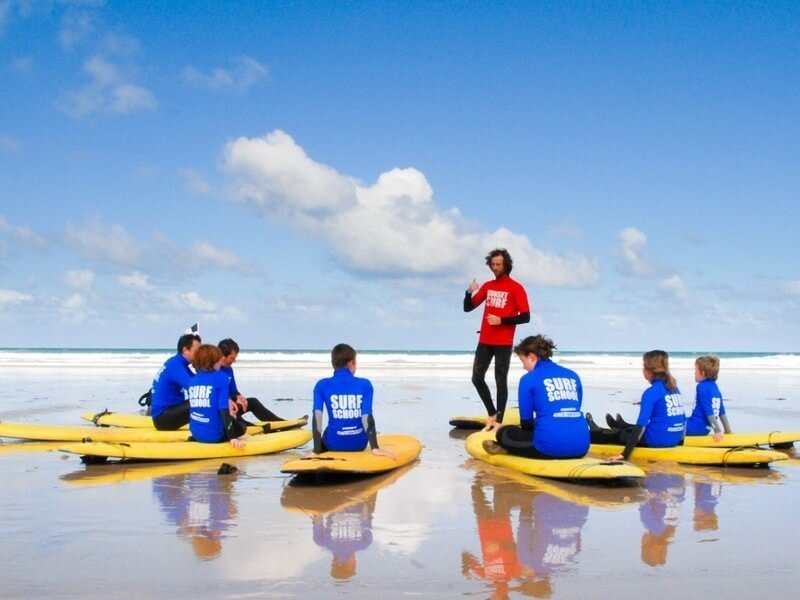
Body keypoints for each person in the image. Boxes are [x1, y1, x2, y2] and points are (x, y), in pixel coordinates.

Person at [483, 334, 590, 459]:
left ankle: (508, 449)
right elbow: (574, 409)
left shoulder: (528, 379)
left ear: (532, 357)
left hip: (549, 448)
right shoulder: (573, 375)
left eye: (523, 361)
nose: (524, 367)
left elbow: (526, 423)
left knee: (503, 433)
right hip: (582, 446)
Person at [463, 248, 530, 431]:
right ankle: (491, 413)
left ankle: (499, 421)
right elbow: (468, 308)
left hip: (504, 342)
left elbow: (525, 317)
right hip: (485, 340)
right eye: (492, 264)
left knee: (500, 380)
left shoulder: (516, 288)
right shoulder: (488, 286)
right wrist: (469, 292)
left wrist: (502, 320)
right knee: (477, 378)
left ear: (506, 264)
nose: (495, 267)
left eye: (498, 264)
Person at [587, 350, 686, 461]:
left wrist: (625, 454)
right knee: (628, 429)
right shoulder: (674, 388)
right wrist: (681, 443)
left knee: (613, 435)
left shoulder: (651, 392)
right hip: (673, 438)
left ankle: (596, 432)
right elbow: (683, 419)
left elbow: (641, 425)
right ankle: (613, 425)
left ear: (649, 371)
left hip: (656, 440)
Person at [310, 343, 395, 458]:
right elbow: (367, 416)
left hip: (333, 444)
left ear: (333, 364)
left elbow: (317, 415)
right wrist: (375, 448)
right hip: (358, 444)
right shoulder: (365, 385)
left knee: (328, 433)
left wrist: (316, 450)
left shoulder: (322, 385)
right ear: (352, 362)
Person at [187, 344, 248, 448]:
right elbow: (224, 410)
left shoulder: (193, 380)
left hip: (195, 434)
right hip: (215, 437)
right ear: (214, 361)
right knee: (242, 426)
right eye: (220, 359)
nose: (221, 361)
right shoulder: (222, 378)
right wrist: (232, 437)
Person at [218, 338, 287, 423]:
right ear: (222, 356)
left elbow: (234, 391)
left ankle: (279, 422)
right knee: (242, 424)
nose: (234, 361)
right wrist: (234, 399)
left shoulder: (229, 369)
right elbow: (217, 395)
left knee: (253, 402)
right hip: (222, 410)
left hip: (232, 405)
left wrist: (240, 397)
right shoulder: (214, 370)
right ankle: (249, 428)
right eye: (232, 358)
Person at [150, 332, 201, 430]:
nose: (200, 354)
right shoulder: (176, 365)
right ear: (185, 350)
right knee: (204, 401)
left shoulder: (179, 363)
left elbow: (200, 383)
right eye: (198, 351)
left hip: (168, 412)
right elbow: (196, 389)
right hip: (163, 418)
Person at [685, 355, 731, 442]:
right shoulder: (715, 388)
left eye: (695, 370)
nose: (694, 373)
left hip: (695, 427)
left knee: (674, 422)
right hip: (705, 429)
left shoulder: (701, 387)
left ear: (702, 373)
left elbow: (708, 411)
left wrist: (717, 431)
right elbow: (722, 412)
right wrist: (728, 431)